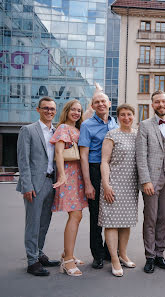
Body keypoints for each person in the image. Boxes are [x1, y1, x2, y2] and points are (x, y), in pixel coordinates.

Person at [16, 96, 61, 276]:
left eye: (52, 109)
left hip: (52, 183)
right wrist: (27, 185)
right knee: (33, 224)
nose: (49, 111)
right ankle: (32, 261)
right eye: (45, 108)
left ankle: (39, 253)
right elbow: (23, 160)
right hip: (34, 184)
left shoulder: (57, 132)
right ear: (38, 110)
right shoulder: (28, 130)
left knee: (44, 223)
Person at [136, 90, 165, 274]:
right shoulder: (144, 126)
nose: (161, 105)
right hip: (151, 180)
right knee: (150, 218)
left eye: (163, 101)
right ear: (152, 105)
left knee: (163, 218)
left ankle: (160, 254)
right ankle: (150, 256)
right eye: (157, 102)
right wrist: (146, 181)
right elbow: (140, 155)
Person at [79, 84, 118, 269]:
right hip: (94, 169)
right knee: (96, 216)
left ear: (109, 103)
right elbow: (84, 156)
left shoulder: (114, 123)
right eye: (97, 102)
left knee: (111, 213)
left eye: (103, 101)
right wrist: (88, 184)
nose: (101, 104)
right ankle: (97, 255)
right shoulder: (87, 125)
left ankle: (109, 250)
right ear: (92, 106)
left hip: (113, 171)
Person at [98, 104, 139, 277]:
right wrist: (106, 184)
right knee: (112, 222)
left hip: (131, 185)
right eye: (122, 115)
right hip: (113, 183)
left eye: (129, 114)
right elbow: (105, 161)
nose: (126, 117)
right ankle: (114, 258)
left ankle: (123, 254)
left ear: (133, 116)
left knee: (125, 222)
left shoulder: (138, 135)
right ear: (118, 117)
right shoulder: (112, 134)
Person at [51, 99, 88, 276]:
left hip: (78, 176)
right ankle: (67, 261)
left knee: (77, 216)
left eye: (79, 111)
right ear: (66, 111)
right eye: (73, 109)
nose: (76, 113)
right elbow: (58, 152)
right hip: (69, 175)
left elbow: (89, 112)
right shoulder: (63, 128)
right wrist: (63, 175)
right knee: (76, 215)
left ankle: (68, 253)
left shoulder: (77, 129)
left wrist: (97, 92)